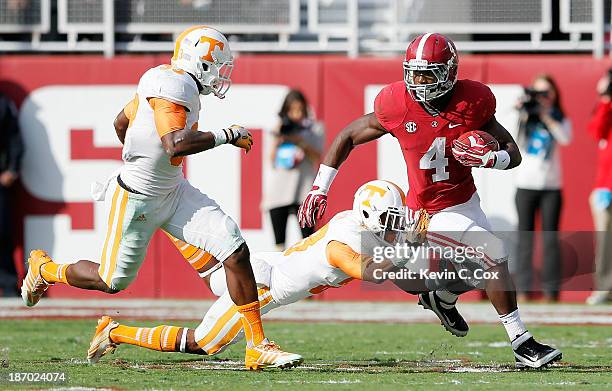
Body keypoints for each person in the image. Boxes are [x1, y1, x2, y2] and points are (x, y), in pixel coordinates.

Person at [20, 26, 301, 370]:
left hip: (173, 190)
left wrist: (142, 150)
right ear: (201, 61)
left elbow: (121, 123)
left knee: (235, 248)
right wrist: (227, 134)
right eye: (218, 64)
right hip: (137, 198)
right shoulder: (174, 85)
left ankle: (257, 345)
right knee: (111, 281)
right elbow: (175, 145)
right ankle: (46, 270)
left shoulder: (166, 80)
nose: (221, 72)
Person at [298, 33, 561, 369]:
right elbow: (349, 134)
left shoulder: (473, 100)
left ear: (449, 72)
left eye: (427, 74)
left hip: (466, 202)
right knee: (494, 253)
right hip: (430, 212)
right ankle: (522, 343)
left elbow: (514, 153)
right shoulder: (396, 102)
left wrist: (491, 160)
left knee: (480, 273)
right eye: (413, 73)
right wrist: (320, 187)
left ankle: (441, 298)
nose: (418, 82)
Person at [86, 180, 468, 361]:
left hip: (267, 270)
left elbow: (393, 269)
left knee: (210, 281)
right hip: (264, 283)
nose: (393, 225)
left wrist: (432, 286)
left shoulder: (363, 226)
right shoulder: (345, 238)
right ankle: (116, 330)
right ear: (368, 216)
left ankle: (149, 211)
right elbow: (367, 270)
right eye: (388, 219)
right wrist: (410, 249)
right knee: (206, 343)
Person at [514, 75, 572, 302]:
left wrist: (547, 116)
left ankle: (551, 291)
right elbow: (515, 142)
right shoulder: (526, 117)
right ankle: (523, 289)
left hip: (551, 187)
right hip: (525, 185)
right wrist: (523, 114)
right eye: (538, 93)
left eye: (546, 92)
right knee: (524, 238)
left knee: (550, 240)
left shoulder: (559, 117)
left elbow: (566, 138)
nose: (542, 97)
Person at [264, 90, 323, 251]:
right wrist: (280, 136)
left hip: (303, 191)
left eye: (300, 110)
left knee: (309, 242)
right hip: (279, 192)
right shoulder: (278, 130)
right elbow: (271, 159)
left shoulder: (313, 129)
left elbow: (317, 156)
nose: (296, 115)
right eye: (292, 110)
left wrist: (299, 141)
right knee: (279, 246)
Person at [586, 68, 612, 305]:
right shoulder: (607, 106)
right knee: (605, 239)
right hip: (606, 186)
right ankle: (604, 287)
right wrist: (605, 98)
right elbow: (595, 130)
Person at [0, 92, 23, 297]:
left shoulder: (3, 104)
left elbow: (13, 137)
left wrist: (12, 168)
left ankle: (7, 285)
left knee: (2, 232)